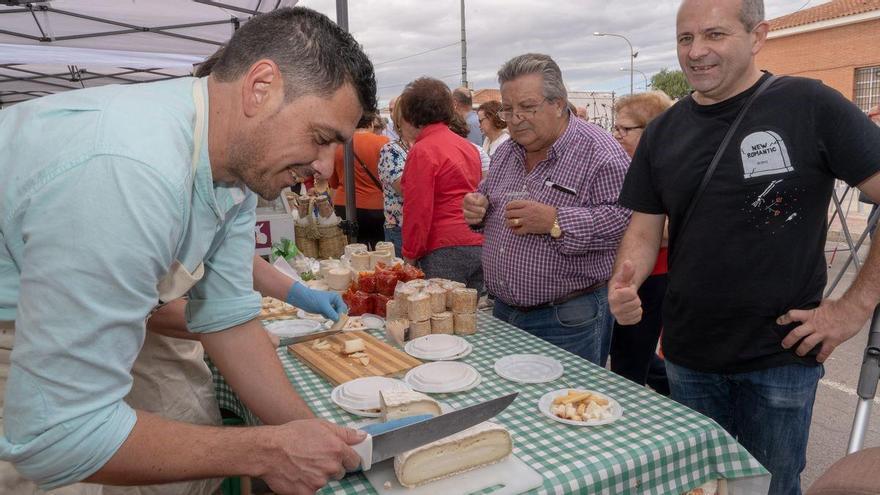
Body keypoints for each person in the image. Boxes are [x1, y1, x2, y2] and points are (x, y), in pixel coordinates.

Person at [0, 7, 377, 494]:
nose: (326, 168)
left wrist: (325, 445)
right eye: (322, 138)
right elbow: (56, 438)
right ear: (261, 88)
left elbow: (227, 317)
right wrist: (269, 450)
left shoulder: (238, 166)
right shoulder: (128, 168)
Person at [608, 1, 880, 493]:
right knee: (695, 487)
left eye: (714, 35)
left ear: (757, 36)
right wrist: (625, 279)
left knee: (770, 488)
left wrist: (853, 308)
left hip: (778, 357)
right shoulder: (664, 131)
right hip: (688, 356)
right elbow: (645, 228)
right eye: (685, 38)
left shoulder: (808, 105)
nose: (696, 52)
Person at [462, 53, 631, 366]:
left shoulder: (601, 153)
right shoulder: (507, 151)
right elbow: (488, 196)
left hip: (566, 318)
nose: (515, 118)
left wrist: (556, 221)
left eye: (527, 107)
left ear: (558, 103)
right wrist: (477, 207)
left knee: (564, 408)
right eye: (508, 109)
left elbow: (624, 221)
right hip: (503, 311)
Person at [608, 91, 673, 396]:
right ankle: (676, 392)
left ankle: (630, 416)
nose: (617, 135)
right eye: (615, 128)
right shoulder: (622, 164)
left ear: (652, 129)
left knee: (629, 359)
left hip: (653, 276)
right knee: (633, 352)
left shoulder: (664, 167)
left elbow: (669, 231)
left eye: (626, 129)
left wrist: (625, 228)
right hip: (623, 275)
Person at [400, 78, 484, 290]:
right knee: (466, 315)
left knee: (440, 317)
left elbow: (418, 209)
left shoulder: (423, 150)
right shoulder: (468, 147)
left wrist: (410, 255)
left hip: (444, 247)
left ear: (411, 114)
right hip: (477, 242)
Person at [329, 117, 389, 248]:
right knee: (378, 250)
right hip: (376, 206)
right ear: (372, 123)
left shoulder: (338, 145)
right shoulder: (384, 143)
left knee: (350, 250)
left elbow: (333, 182)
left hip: (343, 204)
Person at [377, 98, 416, 256]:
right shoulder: (391, 150)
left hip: (423, 227)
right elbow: (406, 190)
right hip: (400, 228)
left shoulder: (426, 146)